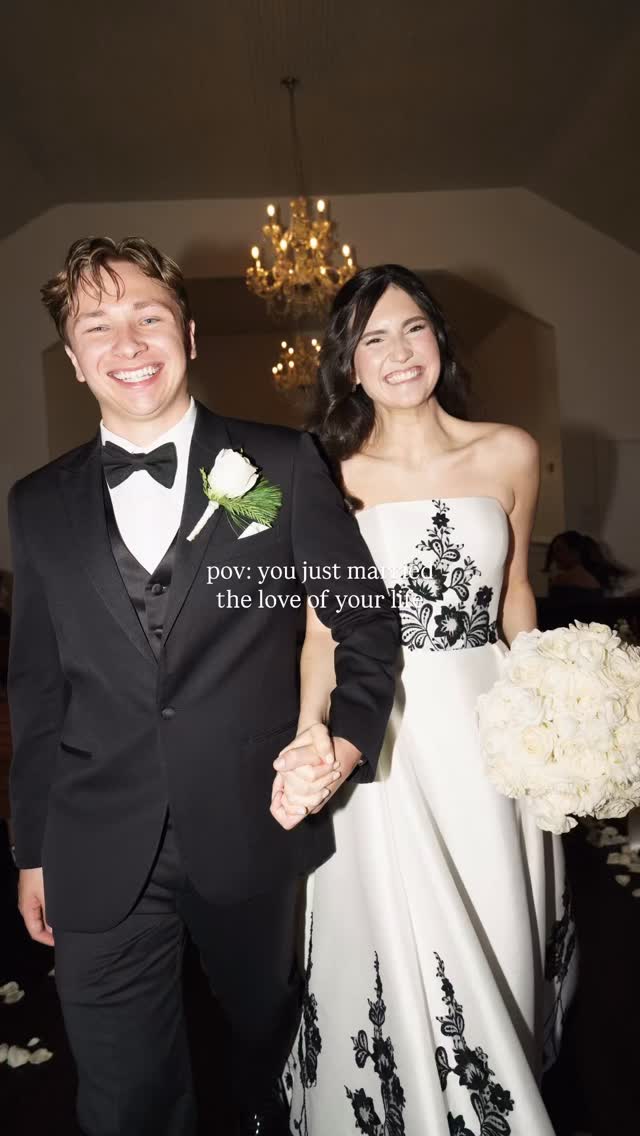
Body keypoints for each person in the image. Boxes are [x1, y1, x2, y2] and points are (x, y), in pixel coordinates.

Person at [7, 238, 399, 1136]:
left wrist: (341, 742)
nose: (129, 342)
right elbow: (35, 688)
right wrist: (32, 848)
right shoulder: (34, 504)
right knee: (123, 1094)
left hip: (256, 823)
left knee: (259, 1050)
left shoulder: (281, 463)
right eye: (96, 325)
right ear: (72, 359)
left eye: (149, 316)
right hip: (93, 835)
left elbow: (363, 623)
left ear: (187, 332)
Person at [279, 266, 574, 1134]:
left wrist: (551, 711)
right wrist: (310, 735)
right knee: (393, 925)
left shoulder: (510, 451)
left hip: (489, 726)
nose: (398, 353)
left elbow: (516, 591)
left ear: (439, 340)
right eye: (372, 338)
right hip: (384, 727)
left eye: (412, 330)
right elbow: (320, 633)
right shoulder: (325, 472)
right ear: (349, 365)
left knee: (496, 913)